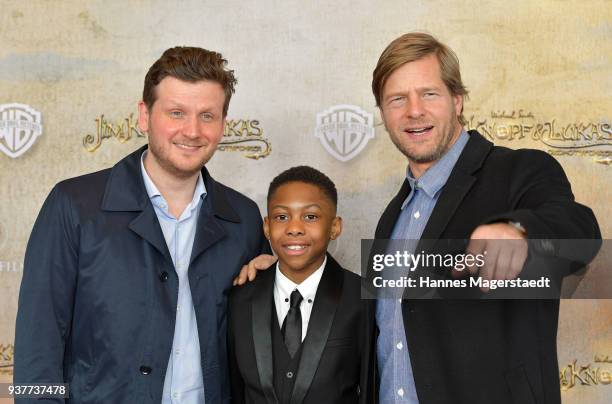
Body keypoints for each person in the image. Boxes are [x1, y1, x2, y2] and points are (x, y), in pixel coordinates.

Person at [242, 33, 601, 403]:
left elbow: (579, 234)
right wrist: (287, 270)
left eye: (429, 94)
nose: (414, 111)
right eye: (397, 99)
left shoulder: (518, 171)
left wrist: (519, 233)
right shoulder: (391, 219)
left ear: (457, 101)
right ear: (383, 114)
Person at [14, 46, 269, 403]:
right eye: (176, 112)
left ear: (223, 124)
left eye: (207, 116)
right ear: (144, 116)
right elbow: (35, 346)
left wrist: (284, 276)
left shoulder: (243, 217)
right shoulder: (73, 205)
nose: (192, 131)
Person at [228, 166, 375, 404]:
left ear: (335, 227)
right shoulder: (241, 297)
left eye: (310, 217)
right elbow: (234, 390)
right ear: (267, 227)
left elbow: (371, 389)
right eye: (282, 217)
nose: (294, 228)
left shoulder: (363, 298)